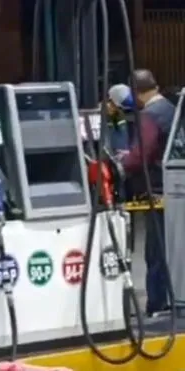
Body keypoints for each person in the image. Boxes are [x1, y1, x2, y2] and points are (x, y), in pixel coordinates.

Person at [117, 69, 174, 317]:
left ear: (136, 93)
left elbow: (141, 155)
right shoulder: (172, 109)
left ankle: (156, 305)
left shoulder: (149, 115)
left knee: (156, 251)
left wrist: (122, 161)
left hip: (157, 189)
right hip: (175, 187)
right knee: (174, 248)